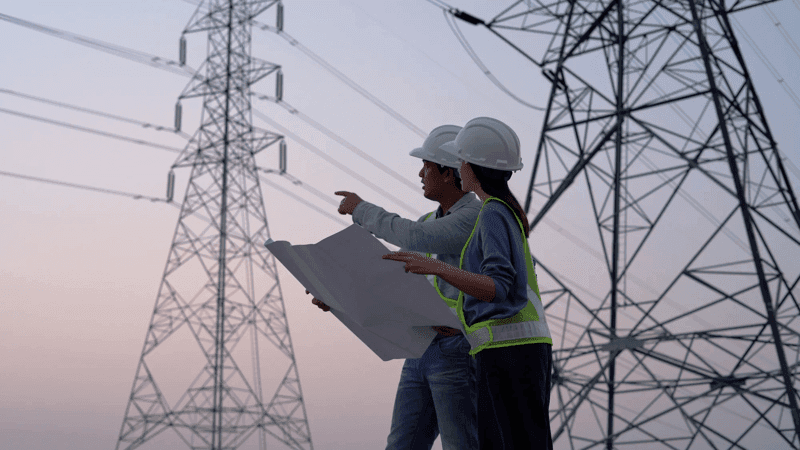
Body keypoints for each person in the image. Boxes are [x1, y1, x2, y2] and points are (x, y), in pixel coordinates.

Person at [382, 117, 553, 450]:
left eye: (459, 160)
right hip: (500, 350)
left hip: (505, 351)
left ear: (468, 167)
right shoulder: (499, 212)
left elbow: (497, 287)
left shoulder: (489, 214)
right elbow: (466, 296)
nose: (457, 167)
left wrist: (437, 268)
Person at [308, 125, 482, 450]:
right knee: (402, 445)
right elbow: (397, 285)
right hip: (422, 347)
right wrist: (338, 297)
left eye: (426, 166)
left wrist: (360, 209)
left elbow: (411, 237)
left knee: (462, 445)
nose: (420, 173)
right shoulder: (432, 221)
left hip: (458, 349)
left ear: (447, 173)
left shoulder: (475, 217)